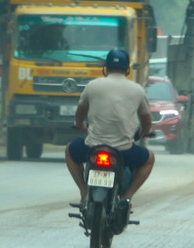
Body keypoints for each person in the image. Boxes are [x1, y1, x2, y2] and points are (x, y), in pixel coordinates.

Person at [66, 47, 155, 220]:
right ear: (127, 69)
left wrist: (79, 125)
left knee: (70, 151)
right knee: (149, 159)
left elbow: (81, 110)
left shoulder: (93, 85)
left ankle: (84, 193)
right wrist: (145, 132)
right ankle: (126, 197)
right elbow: (146, 118)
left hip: (92, 147)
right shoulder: (137, 90)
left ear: (105, 68)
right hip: (123, 150)